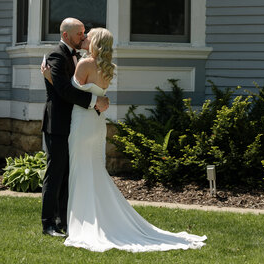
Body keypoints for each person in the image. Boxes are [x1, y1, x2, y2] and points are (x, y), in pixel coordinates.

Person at [47, 27, 207, 252]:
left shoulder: (84, 64)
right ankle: (91, 218)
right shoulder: (107, 67)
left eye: (88, 36)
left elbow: (69, 93)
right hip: (97, 125)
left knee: (80, 170)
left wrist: (50, 78)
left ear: (96, 42)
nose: (84, 38)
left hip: (82, 123)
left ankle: (83, 223)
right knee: (93, 169)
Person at [41, 18, 109, 237]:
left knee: (70, 173)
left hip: (77, 122)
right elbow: (63, 90)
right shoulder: (56, 55)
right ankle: (48, 223)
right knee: (56, 172)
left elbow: (66, 86)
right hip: (58, 123)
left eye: (84, 32)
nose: (83, 35)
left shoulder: (81, 57)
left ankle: (64, 219)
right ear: (65, 36)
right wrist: (94, 101)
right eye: (79, 33)